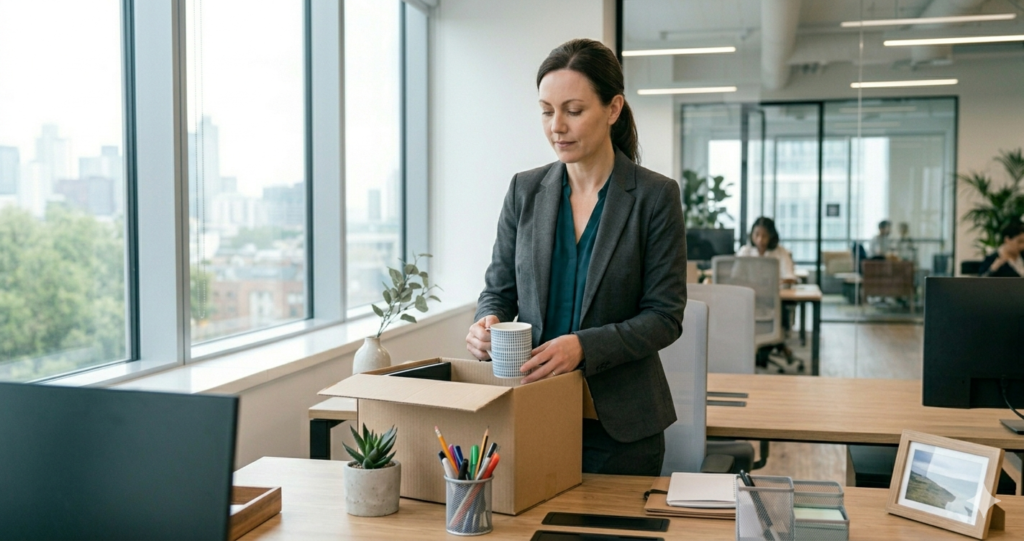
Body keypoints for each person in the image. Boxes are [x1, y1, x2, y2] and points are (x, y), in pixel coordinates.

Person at [465, 39, 687, 476]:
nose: (557, 127)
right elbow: (498, 290)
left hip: (620, 431)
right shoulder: (524, 191)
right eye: (547, 111)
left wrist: (584, 346)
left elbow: (664, 316)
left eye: (574, 110)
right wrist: (486, 322)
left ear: (613, 108)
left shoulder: (655, 197)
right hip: (529, 415)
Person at [736, 217, 796, 284]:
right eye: (757, 234)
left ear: (771, 236)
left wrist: (773, 284)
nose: (760, 239)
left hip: (775, 292)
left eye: (764, 236)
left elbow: (789, 277)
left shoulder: (781, 252)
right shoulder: (745, 251)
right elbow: (736, 277)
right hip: (750, 292)